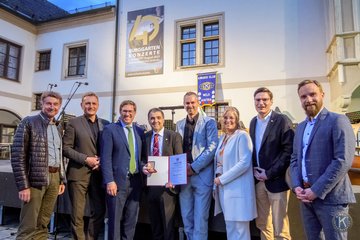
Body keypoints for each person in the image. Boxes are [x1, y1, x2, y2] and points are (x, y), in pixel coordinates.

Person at [290, 79, 356, 240]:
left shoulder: (338, 120)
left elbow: (343, 160)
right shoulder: (300, 127)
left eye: (312, 94)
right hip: (306, 200)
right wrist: (297, 186)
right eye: (303, 96)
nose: (308, 99)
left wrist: (316, 190)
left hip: (333, 201)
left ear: (322, 95)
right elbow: (294, 160)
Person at [11, 91, 66, 240]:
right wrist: (23, 185)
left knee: (43, 223)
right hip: (35, 178)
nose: (52, 107)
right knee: (28, 225)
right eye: (48, 103)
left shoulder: (58, 127)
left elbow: (59, 155)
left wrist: (61, 179)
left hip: (54, 179)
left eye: (55, 104)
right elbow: (17, 155)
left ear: (59, 106)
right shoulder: (29, 122)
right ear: (42, 104)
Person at [63, 92, 109, 240]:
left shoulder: (106, 124)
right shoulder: (73, 123)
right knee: (77, 214)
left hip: (98, 174)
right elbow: (65, 148)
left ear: (98, 105)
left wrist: (102, 160)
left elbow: (109, 148)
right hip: (78, 174)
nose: (91, 106)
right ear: (82, 105)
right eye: (87, 103)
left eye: (94, 103)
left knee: (100, 210)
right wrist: (85, 159)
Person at [249, 87, 294, 240]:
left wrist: (269, 173)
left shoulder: (282, 120)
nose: (261, 103)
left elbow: (288, 151)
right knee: (263, 223)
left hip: (276, 181)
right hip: (259, 182)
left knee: (280, 226)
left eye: (265, 100)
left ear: (271, 101)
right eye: (258, 100)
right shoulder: (253, 122)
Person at [100, 100, 146, 240]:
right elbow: (105, 157)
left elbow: (141, 157)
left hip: (136, 182)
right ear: (120, 112)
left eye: (130, 111)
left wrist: (145, 166)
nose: (127, 114)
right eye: (125, 111)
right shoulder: (110, 129)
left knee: (131, 220)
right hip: (117, 183)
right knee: (114, 220)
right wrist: (109, 181)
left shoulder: (139, 131)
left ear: (134, 113)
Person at [176, 91, 218, 240]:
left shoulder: (209, 122)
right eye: (187, 103)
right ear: (184, 105)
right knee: (186, 217)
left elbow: (212, 147)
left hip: (202, 176)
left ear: (198, 103)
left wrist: (193, 167)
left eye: (193, 102)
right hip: (183, 176)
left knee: (200, 219)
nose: (190, 106)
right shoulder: (179, 124)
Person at [213, 107, 257, 240]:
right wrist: (218, 175)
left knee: (240, 231)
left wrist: (222, 179)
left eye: (231, 118)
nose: (228, 120)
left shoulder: (242, 136)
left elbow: (244, 163)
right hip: (225, 191)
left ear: (237, 120)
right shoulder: (223, 138)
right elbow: (220, 161)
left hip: (238, 190)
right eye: (225, 117)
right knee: (230, 228)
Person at [142, 108, 183, 240]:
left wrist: (175, 180)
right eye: (152, 118)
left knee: (168, 226)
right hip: (151, 186)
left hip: (167, 187)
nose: (155, 121)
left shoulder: (173, 136)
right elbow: (142, 158)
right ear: (149, 120)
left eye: (158, 117)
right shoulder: (146, 137)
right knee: (155, 226)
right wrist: (143, 166)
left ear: (163, 119)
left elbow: (179, 160)